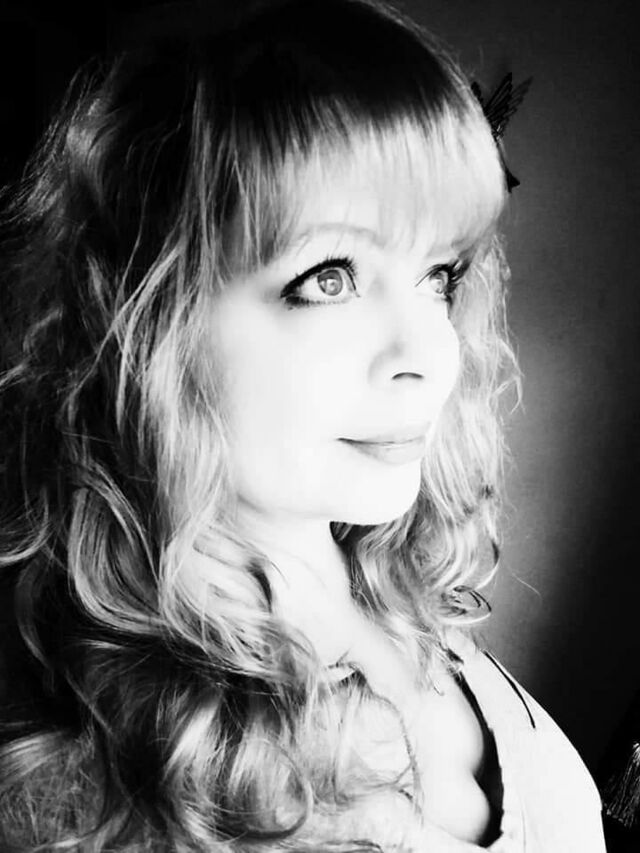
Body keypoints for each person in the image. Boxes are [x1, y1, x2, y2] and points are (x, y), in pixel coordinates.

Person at [0, 0, 606, 850]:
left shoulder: (384, 576)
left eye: (439, 274)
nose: (428, 355)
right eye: (330, 277)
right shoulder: (94, 792)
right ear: (147, 323)